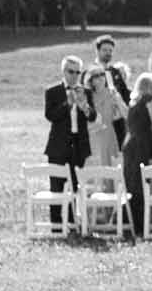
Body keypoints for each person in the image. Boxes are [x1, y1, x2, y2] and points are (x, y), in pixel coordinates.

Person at [42, 56, 91, 225]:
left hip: (79, 145)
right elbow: (50, 115)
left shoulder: (85, 91)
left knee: (76, 186)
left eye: (78, 72)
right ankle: (56, 226)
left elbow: (92, 117)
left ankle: (72, 223)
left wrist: (85, 107)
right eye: (71, 71)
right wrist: (67, 104)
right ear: (63, 71)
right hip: (58, 146)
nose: (75, 75)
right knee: (57, 186)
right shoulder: (53, 91)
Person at [122, 72, 152, 237]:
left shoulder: (133, 101)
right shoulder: (149, 100)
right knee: (140, 183)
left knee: (132, 182)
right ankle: (140, 223)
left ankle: (130, 220)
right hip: (142, 144)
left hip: (130, 144)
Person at [82, 64, 126, 169]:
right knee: (97, 170)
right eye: (96, 76)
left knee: (112, 170)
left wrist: (118, 100)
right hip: (94, 136)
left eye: (102, 74)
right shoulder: (87, 96)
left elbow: (126, 114)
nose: (101, 78)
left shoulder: (112, 93)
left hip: (110, 135)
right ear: (90, 80)